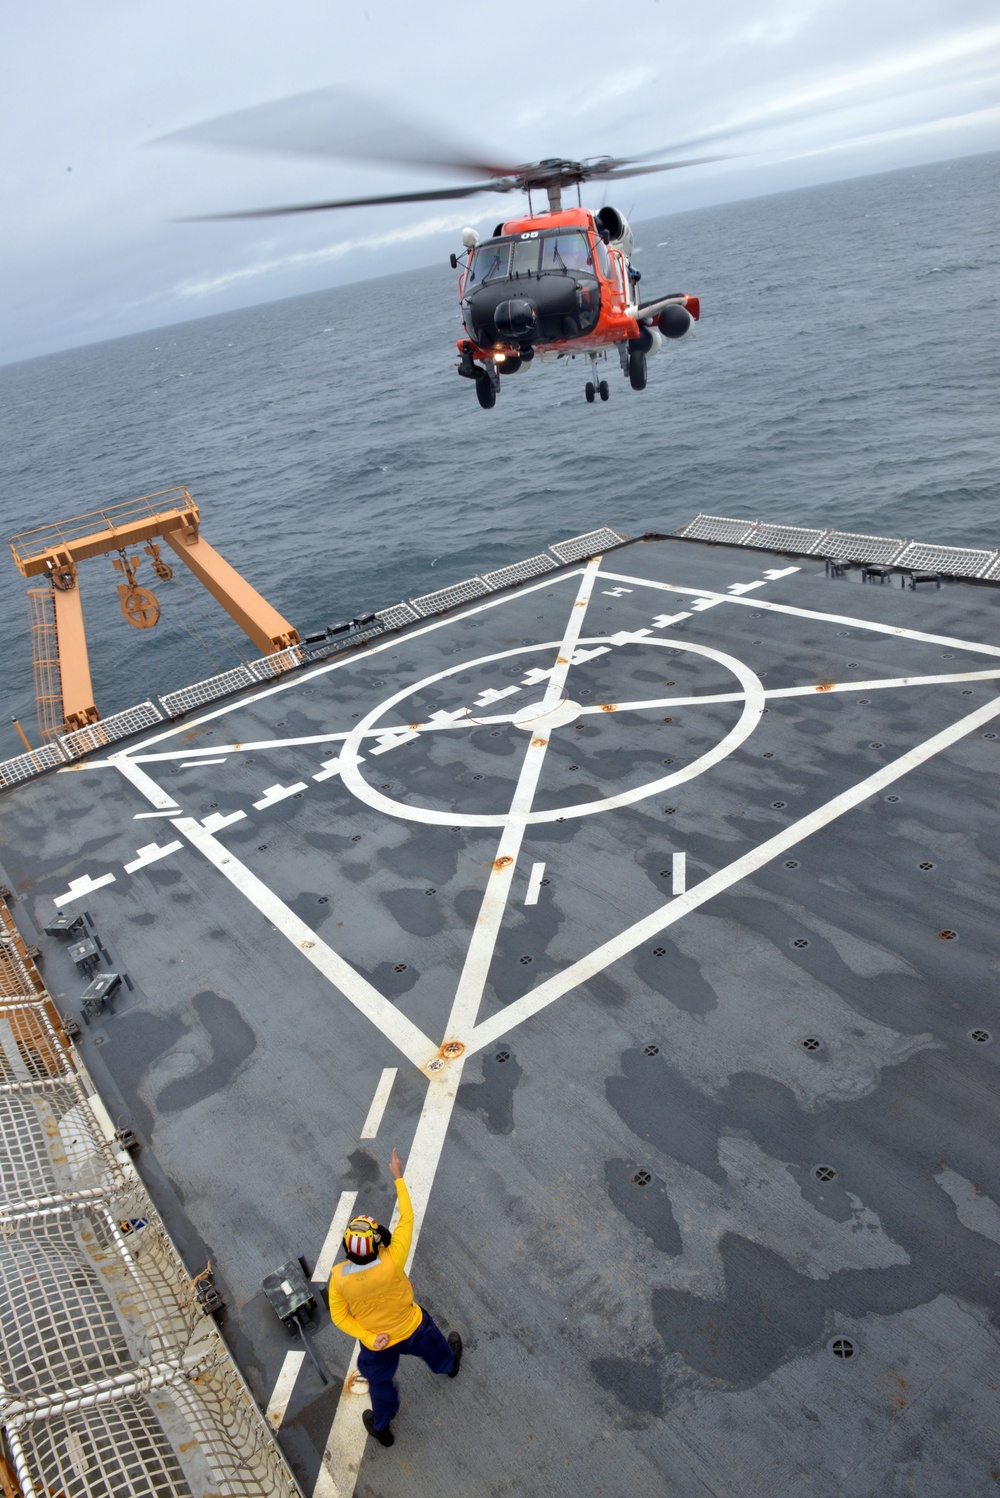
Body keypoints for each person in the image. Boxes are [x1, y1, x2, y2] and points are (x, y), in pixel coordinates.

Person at [328, 1146, 462, 1447]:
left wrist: (367, 1335)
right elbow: (407, 1217)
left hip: (377, 1342)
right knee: (438, 1349)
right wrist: (398, 1178)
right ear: (376, 1245)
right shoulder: (393, 1259)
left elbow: (339, 1316)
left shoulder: (338, 1278)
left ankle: (382, 1425)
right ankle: (450, 1366)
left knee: (380, 1383)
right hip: (412, 1327)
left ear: (347, 1249)